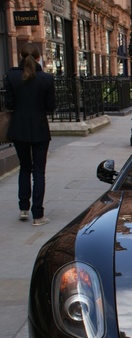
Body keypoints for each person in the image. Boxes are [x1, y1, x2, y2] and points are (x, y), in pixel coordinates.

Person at [3, 42, 56, 226]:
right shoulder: (47, 79)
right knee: (39, 171)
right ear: (39, 57)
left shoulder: (11, 76)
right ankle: (38, 215)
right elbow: (51, 107)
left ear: (20, 56)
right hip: (40, 129)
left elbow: (9, 104)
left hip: (19, 129)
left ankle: (23, 208)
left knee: (24, 168)